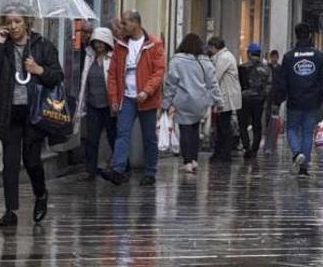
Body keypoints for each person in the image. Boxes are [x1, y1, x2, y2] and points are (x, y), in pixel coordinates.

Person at [0, 6, 64, 227]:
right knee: (10, 163)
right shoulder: (3, 45)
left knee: (31, 161)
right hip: (9, 113)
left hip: (34, 113)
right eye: (9, 22)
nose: (13, 26)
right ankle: (10, 211)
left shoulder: (42, 45)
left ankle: (41, 194)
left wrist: (38, 70)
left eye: (18, 21)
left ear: (26, 23)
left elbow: (57, 75)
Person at [101, 10, 166, 187]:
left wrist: (147, 91)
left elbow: (159, 71)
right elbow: (113, 74)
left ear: (136, 23)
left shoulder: (153, 44)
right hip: (127, 97)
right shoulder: (121, 46)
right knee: (122, 133)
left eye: (125, 23)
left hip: (146, 98)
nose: (122, 26)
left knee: (149, 136)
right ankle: (118, 169)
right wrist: (114, 98)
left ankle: (150, 171)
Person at [271, 23, 323, 176]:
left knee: (291, 129)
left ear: (296, 35)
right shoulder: (319, 56)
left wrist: (278, 100)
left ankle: (297, 153)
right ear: (310, 35)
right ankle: (304, 167)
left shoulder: (289, 57)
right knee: (307, 132)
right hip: (312, 101)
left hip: (294, 100)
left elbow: (282, 81)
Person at [163, 33, 223, 173]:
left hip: (183, 100)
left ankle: (187, 161)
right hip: (200, 101)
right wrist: (219, 101)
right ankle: (194, 159)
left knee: (185, 130)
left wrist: (166, 103)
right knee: (195, 129)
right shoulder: (206, 61)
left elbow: (171, 83)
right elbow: (212, 83)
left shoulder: (176, 60)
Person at [75, 27, 116, 181]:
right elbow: (84, 80)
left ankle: (122, 167)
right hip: (93, 104)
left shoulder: (113, 58)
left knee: (113, 136)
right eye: (96, 42)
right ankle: (90, 170)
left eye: (102, 42)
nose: (99, 45)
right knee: (92, 138)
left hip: (108, 105)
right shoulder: (88, 57)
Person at [208, 37, 242, 161]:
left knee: (224, 125)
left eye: (210, 48)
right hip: (225, 95)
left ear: (214, 47)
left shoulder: (224, 58)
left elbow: (215, 76)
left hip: (226, 96)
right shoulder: (224, 56)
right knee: (222, 125)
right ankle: (221, 152)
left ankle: (224, 153)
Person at [238, 42, 272, 160]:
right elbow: (269, 85)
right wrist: (264, 96)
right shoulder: (266, 69)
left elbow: (239, 85)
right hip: (259, 100)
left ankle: (246, 146)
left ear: (249, 53)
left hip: (245, 99)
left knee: (243, 124)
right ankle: (255, 149)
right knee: (257, 124)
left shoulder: (243, 67)